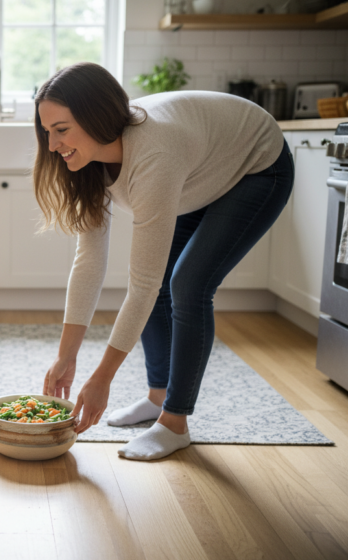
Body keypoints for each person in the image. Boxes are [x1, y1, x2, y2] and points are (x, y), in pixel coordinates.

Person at [35, 62, 294, 461]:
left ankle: (175, 424)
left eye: (61, 129)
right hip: (199, 171)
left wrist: (102, 377)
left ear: (96, 117)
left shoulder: (154, 155)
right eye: (47, 131)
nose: (52, 145)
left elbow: (142, 284)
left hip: (256, 165)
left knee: (187, 285)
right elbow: (89, 262)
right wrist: (65, 356)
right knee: (160, 283)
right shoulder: (88, 161)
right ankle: (158, 397)